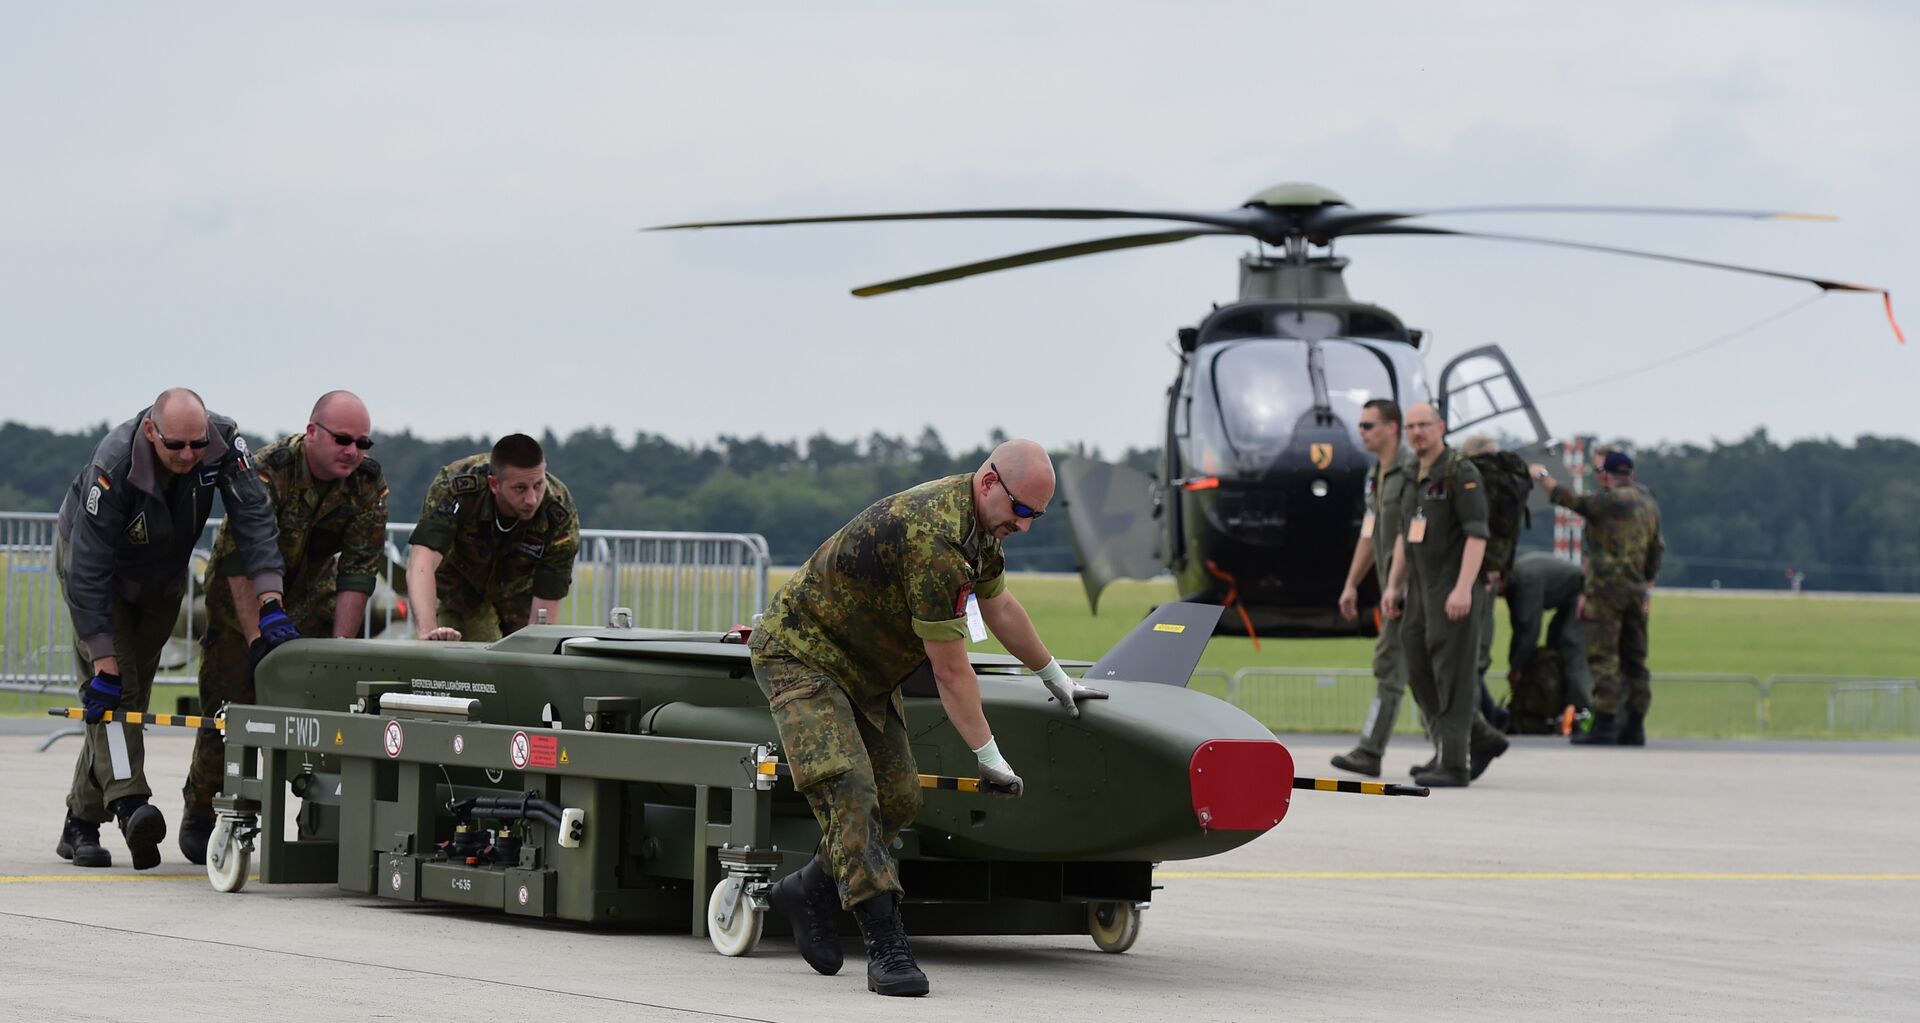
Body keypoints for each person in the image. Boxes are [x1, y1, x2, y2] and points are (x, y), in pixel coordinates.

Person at [747, 439, 1105, 997]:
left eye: (1037, 515)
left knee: (898, 798)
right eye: (1022, 511)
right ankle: (886, 946)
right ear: (990, 482)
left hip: (864, 671)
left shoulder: (981, 529)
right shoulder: (934, 539)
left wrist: (1054, 676)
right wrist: (989, 756)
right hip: (802, 655)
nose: (1026, 526)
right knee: (851, 789)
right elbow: (951, 671)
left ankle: (811, 887)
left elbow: (999, 606)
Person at [53, 388, 291, 870]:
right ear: (150, 432)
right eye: (175, 446)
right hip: (96, 575)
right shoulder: (114, 463)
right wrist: (101, 655)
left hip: (161, 578)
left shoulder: (223, 443)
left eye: (195, 445)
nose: (188, 455)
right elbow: (88, 567)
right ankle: (130, 805)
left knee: (131, 698)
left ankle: (79, 822)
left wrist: (271, 601)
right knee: (115, 688)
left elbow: (254, 518)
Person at [179, 391, 389, 864]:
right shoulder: (268, 468)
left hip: (311, 591)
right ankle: (204, 806)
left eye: (362, 442)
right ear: (312, 432)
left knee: (326, 704)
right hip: (243, 591)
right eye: (342, 439)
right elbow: (239, 557)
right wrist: (257, 641)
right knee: (229, 701)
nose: (353, 451)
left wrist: (340, 647)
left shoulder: (367, 483)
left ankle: (318, 811)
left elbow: (358, 570)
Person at [1382, 403, 1509, 787]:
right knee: (1420, 672)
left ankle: (1455, 763)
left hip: (1452, 588)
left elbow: (1476, 534)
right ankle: (1472, 740)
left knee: (1453, 679)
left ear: (1441, 427)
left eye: (1424, 425)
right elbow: (1405, 535)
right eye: (1412, 426)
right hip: (1418, 590)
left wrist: (1462, 589)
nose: (1417, 432)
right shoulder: (1410, 475)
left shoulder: (1460, 472)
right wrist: (1393, 584)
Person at [1530, 450, 1664, 745]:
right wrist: (1646, 587)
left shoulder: (1610, 501)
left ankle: (1604, 723)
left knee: (1603, 657)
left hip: (1606, 591)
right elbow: (1657, 549)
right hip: (1635, 590)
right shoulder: (1648, 502)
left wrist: (1541, 475)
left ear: (1606, 474)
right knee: (1635, 659)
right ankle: (1635, 724)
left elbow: (1569, 499)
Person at [1331, 399, 1427, 777]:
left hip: (1414, 590)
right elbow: (1370, 533)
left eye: (1368, 425)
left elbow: (1411, 532)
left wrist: (1396, 585)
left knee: (1403, 668)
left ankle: (1372, 750)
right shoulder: (1378, 473)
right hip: (1396, 591)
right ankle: (1471, 742)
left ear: (1392, 428)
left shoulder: (1413, 470)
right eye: (1360, 425)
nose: (1362, 432)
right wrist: (1351, 583)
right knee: (1411, 670)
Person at [406, 434, 580, 642]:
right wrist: (428, 631)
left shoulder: (558, 511)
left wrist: (536, 651)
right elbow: (421, 563)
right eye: (520, 488)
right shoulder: (457, 486)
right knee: (473, 662)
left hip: (519, 591)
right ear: (494, 484)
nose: (532, 499)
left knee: (525, 658)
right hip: (461, 587)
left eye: (538, 485)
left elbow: (548, 597)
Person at [1497, 549, 1595, 730]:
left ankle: (1585, 711)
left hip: (1582, 593)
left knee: (1570, 643)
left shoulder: (1525, 581)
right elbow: (1519, 625)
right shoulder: (1516, 581)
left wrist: (1517, 668)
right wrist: (1516, 663)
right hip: (1568, 599)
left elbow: (1529, 630)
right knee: (1554, 646)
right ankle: (1560, 708)